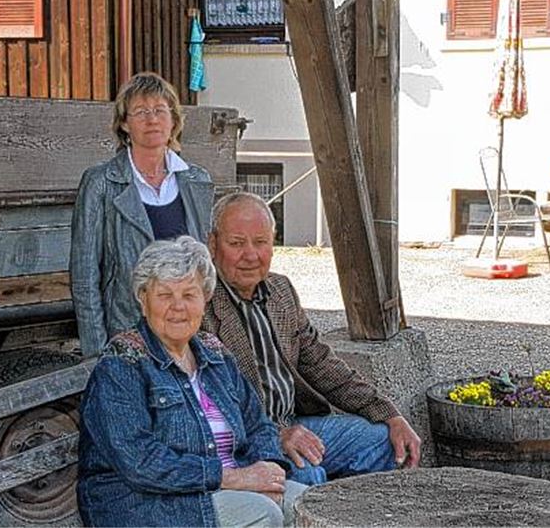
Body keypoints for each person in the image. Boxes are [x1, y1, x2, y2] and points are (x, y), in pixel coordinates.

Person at [77, 237, 307, 527]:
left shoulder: (215, 355)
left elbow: (257, 424)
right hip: (146, 503)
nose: (178, 307)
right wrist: (232, 478)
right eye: (164, 295)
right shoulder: (122, 365)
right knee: (262, 514)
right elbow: (141, 463)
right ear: (143, 299)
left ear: (205, 299)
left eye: (189, 295)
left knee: (308, 505)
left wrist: (268, 470)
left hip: (227, 486)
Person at [202, 192, 422, 485]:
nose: (251, 255)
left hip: (295, 421)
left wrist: (390, 414)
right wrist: (276, 434)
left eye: (261, 242)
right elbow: (211, 400)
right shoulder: (199, 303)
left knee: (384, 442)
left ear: (273, 243)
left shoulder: (280, 290)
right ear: (212, 244)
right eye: (236, 243)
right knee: (308, 474)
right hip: (242, 440)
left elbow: (320, 363)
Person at [70, 72, 214, 357]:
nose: (152, 119)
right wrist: (98, 353)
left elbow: (205, 267)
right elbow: (85, 276)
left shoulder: (197, 180)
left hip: (185, 331)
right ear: (124, 124)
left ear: (173, 120)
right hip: (127, 332)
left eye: (161, 110)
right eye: (141, 112)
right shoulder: (101, 183)